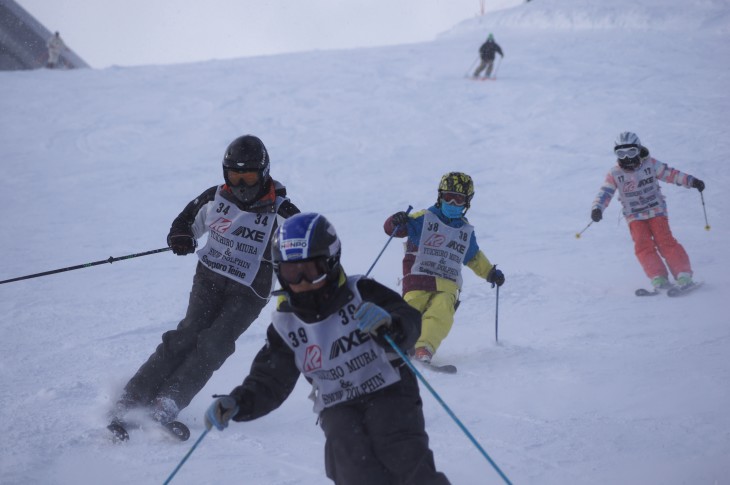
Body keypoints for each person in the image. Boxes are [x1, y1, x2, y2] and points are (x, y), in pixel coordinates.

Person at [205, 212, 450, 485]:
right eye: (291, 273)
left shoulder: (361, 293)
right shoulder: (287, 325)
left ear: (331, 262)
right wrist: (240, 402)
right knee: (352, 467)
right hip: (337, 402)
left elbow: (408, 319)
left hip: (388, 388)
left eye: (311, 271)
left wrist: (390, 324)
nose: (302, 282)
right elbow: (270, 379)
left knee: (401, 454)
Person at [108, 135, 300, 440]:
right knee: (187, 335)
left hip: (249, 290)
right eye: (234, 176)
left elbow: (305, 249)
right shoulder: (216, 198)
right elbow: (184, 222)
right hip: (209, 278)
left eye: (248, 176)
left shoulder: (283, 213)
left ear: (263, 174)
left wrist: (299, 286)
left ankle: (169, 401)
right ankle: (132, 397)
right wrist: (181, 237)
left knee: (215, 343)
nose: (241, 185)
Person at [383, 172, 505, 364]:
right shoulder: (425, 218)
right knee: (411, 308)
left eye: (459, 200)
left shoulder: (465, 232)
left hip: (448, 283)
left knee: (442, 313)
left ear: (467, 202)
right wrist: (396, 221)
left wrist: (490, 273)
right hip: (418, 277)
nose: (454, 204)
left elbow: (473, 257)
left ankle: (424, 348)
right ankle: (395, 345)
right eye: (449, 197)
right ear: (440, 196)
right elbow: (395, 230)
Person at [591, 132, 705, 290]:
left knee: (665, 241)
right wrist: (598, 208)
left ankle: (683, 274)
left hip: (655, 210)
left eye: (631, 152)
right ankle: (658, 277)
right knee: (642, 245)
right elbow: (606, 192)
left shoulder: (650, 165)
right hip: (634, 215)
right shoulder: (615, 173)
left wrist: (691, 181)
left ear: (638, 149)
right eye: (621, 153)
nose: (627, 158)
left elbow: (670, 174)